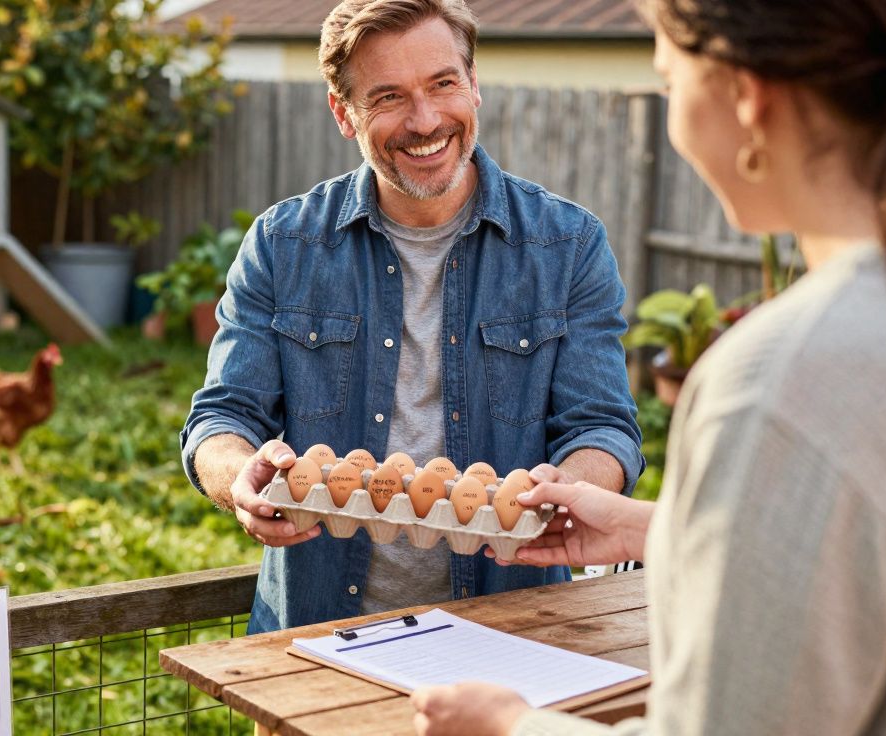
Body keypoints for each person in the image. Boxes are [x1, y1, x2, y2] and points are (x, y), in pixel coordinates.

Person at [410, 0, 886, 733]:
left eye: (670, 82)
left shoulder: (780, 382)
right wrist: (656, 530)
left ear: (747, 95)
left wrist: (512, 726)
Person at [180, 0, 644, 635]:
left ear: (474, 84)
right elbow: (222, 416)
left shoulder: (567, 246)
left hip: (513, 631)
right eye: (389, 97)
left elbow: (602, 427)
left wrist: (559, 491)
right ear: (343, 112)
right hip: (318, 631)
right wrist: (241, 478)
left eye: (443, 83)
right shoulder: (283, 244)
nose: (425, 121)